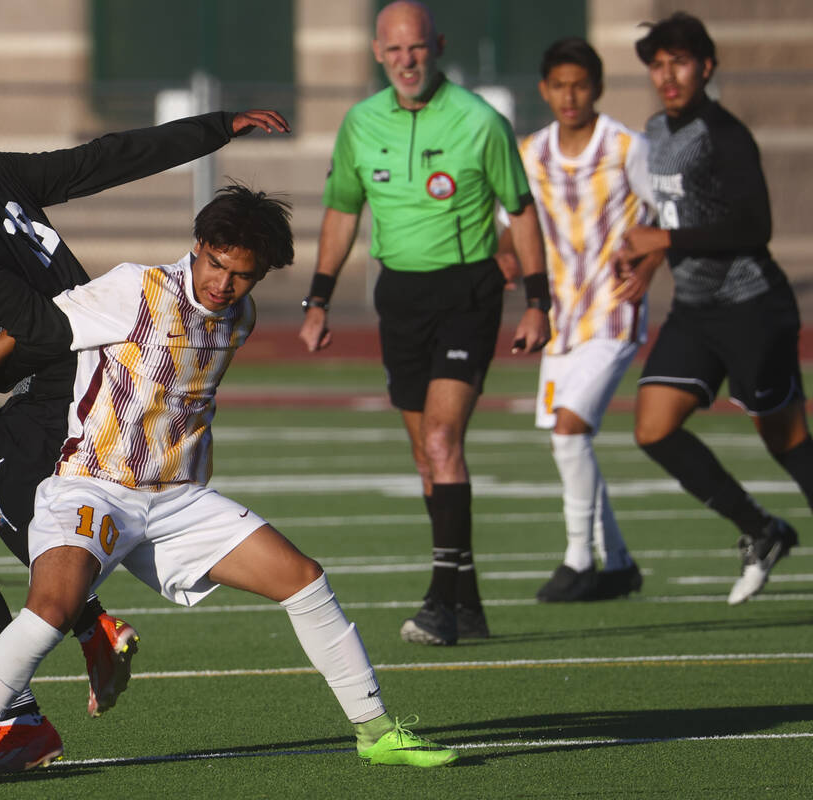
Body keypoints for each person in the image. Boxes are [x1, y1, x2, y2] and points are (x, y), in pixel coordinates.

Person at [0, 184, 459, 781]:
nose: (224, 284)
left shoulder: (242, 316)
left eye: (243, 275)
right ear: (198, 246)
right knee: (51, 609)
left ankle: (376, 731)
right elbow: (38, 324)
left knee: (304, 580)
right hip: (92, 486)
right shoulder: (136, 287)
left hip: (178, 499)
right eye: (217, 264)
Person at [0, 104, 290, 772]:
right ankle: (37, 694)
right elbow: (110, 157)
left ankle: (74, 645)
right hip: (79, 373)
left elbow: (48, 329)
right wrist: (215, 127)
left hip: (66, 389)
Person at [297, 0, 550, 645]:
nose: (407, 61)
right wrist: (318, 299)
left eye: (418, 48)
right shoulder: (360, 123)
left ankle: (440, 600)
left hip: (468, 293)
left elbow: (520, 211)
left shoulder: (480, 121)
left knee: (442, 442)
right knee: (424, 454)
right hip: (400, 298)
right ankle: (468, 601)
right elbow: (342, 212)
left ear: (437, 46)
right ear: (378, 54)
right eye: (395, 50)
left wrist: (539, 301)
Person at [616, 12, 806, 604]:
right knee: (652, 428)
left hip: (752, 307)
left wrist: (663, 244)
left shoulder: (724, 135)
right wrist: (647, 263)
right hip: (697, 312)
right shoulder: (655, 130)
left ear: (706, 67)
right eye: (658, 65)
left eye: (680, 62)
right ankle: (761, 530)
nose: (668, 75)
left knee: (787, 439)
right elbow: (671, 214)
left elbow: (755, 224)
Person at [497, 38, 662, 602]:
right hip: (558, 320)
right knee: (568, 441)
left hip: (614, 314)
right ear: (545, 90)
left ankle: (576, 562)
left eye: (581, 84)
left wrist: (651, 265)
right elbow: (512, 223)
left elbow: (665, 217)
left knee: (570, 431)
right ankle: (618, 564)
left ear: (598, 88)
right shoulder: (530, 152)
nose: (570, 96)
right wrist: (504, 256)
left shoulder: (625, 146)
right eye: (559, 85)